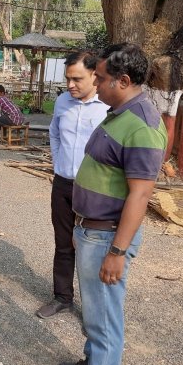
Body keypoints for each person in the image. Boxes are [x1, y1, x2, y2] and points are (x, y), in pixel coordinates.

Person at [58, 43, 167, 365]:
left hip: (107, 235)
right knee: (95, 310)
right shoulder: (119, 113)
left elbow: (141, 193)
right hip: (92, 230)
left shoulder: (142, 125)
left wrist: (117, 252)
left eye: (101, 79)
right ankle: (93, 364)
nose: (96, 83)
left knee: (105, 316)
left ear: (122, 80)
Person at [36, 50, 109, 319]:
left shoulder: (107, 107)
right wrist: (59, 163)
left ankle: (94, 307)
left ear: (94, 75)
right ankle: (62, 297)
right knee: (63, 243)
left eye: (77, 79)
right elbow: (54, 133)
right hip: (63, 184)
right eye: (68, 79)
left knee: (92, 247)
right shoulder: (62, 102)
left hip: (95, 189)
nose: (70, 85)